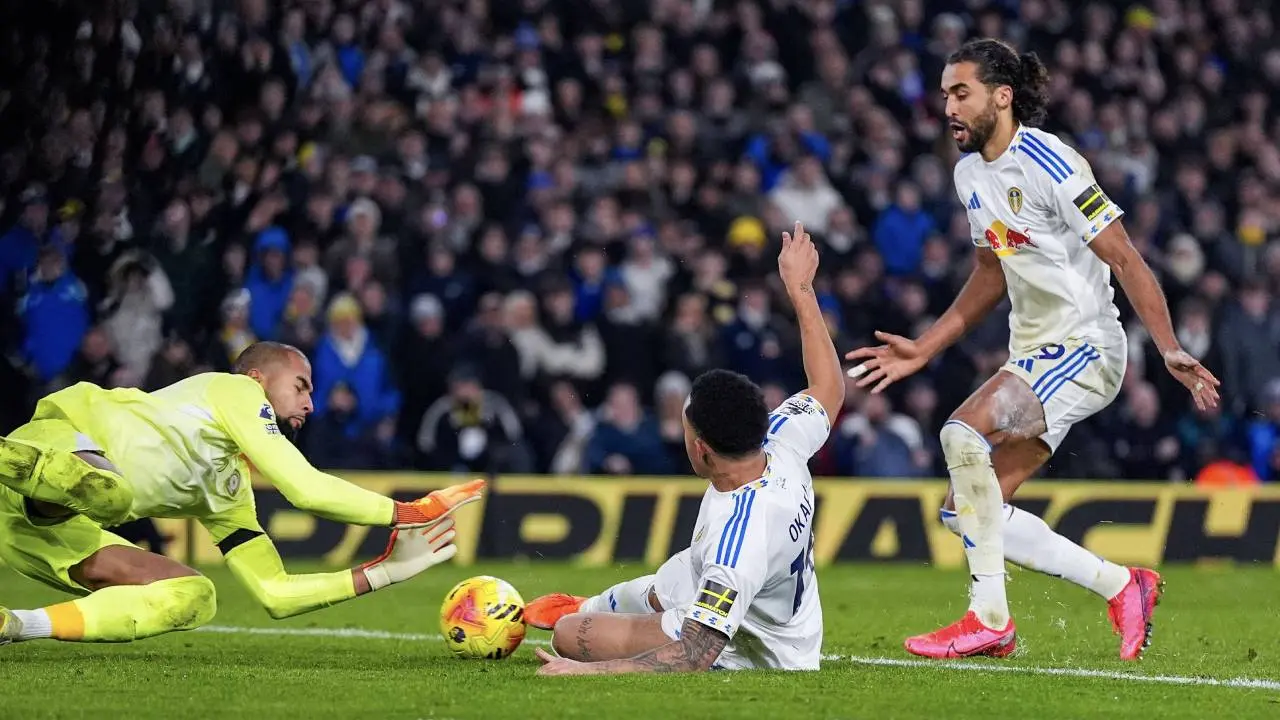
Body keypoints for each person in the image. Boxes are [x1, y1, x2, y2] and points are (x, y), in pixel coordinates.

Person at [845, 39, 1220, 661]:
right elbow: (990, 273)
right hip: (1034, 356)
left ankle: (989, 619)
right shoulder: (969, 175)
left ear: (1002, 96)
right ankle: (1122, 585)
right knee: (968, 511)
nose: (948, 108)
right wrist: (924, 349)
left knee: (960, 434)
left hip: (1086, 346)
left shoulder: (1051, 161)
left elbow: (1124, 256)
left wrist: (1169, 347)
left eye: (960, 93)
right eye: (944, 95)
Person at [0, 341, 484, 645]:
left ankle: (16, 625)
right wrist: (411, 511)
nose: (311, 404)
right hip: (47, 450)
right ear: (257, 379)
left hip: (43, 533)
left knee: (194, 596)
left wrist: (381, 572)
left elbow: (275, 594)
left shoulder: (226, 489)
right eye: (301, 386)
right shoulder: (234, 390)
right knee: (112, 494)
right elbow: (305, 488)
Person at [526, 222, 844, 675]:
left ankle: (607, 617)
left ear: (702, 450)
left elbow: (696, 654)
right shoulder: (779, 436)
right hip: (745, 588)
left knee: (569, 635)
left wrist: (586, 672)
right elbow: (829, 387)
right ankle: (594, 604)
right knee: (655, 585)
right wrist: (801, 290)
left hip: (760, 647)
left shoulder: (740, 536)